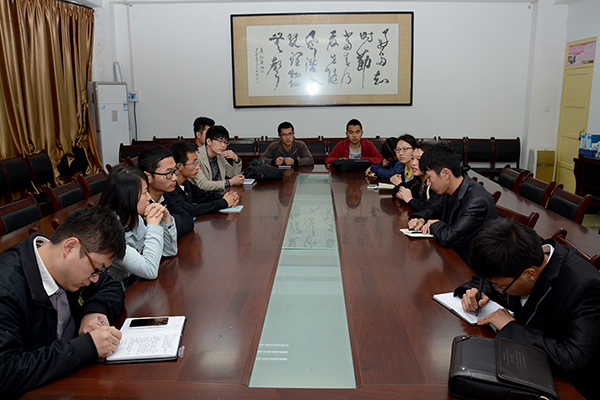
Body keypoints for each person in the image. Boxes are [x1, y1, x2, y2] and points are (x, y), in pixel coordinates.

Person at [455, 219, 600, 399]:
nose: (499, 289)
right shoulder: (525, 258)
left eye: (501, 287)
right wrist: (480, 290)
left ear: (529, 274)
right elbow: (495, 276)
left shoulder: (584, 288)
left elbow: (574, 361)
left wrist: (511, 328)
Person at [0, 206, 127, 398]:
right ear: (70, 247)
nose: (95, 279)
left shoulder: (70, 271)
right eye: (96, 269)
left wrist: (93, 312)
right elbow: (6, 373)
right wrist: (85, 347)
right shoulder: (6, 289)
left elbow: (111, 286)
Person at [407, 143, 497, 266]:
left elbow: (449, 237)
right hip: (452, 257)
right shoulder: (452, 189)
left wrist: (434, 224)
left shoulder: (476, 201)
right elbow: (432, 209)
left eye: (429, 177)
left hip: (470, 266)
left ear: (446, 174)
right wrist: (420, 218)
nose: (428, 183)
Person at [99, 165, 177, 290]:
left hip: (139, 286)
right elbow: (150, 270)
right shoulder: (108, 232)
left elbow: (169, 251)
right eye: (145, 193)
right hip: (123, 293)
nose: (149, 198)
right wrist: (153, 226)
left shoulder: (134, 217)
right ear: (125, 198)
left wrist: (166, 219)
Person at [169, 140, 239, 216]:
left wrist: (229, 197)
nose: (198, 167)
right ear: (179, 166)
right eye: (194, 163)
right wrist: (224, 202)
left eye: (197, 162)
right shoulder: (170, 188)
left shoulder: (186, 183)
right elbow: (191, 210)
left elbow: (204, 196)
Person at [137, 145, 194, 238]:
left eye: (174, 171)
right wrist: (170, 223)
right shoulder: (140, 204)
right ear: (148, 177)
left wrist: (166, 222)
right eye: (168, 173)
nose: (174, 178)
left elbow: (188, 220)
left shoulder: (164, 195)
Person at [191, 125, 244, 192]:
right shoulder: (196, 157)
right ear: (209, 141)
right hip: (200, 196)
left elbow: (233, 175)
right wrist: (229, 182)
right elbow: (203, 184)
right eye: (220, 141)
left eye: (225, 142)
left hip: (216, 194)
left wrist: (236, 159)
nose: (223, 145)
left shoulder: (219, 156)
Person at [392, 142, 440, 211]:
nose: (413, 163)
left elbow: (430, 208)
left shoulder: (436, 183)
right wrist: (403, 196)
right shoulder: (417, 180)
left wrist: (409, 200)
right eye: (412, 158)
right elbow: (396, 189)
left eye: (418, 159)